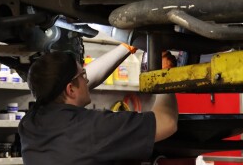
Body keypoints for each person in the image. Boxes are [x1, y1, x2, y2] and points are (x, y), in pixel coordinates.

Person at [18, 44, 178, 165]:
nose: (87, 80)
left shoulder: (29, 124)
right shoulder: (92, 128)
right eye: (83, 75)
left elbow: (67, 84)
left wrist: (126, 48)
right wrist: (164, 77)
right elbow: (167, 122)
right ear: (70, 89)